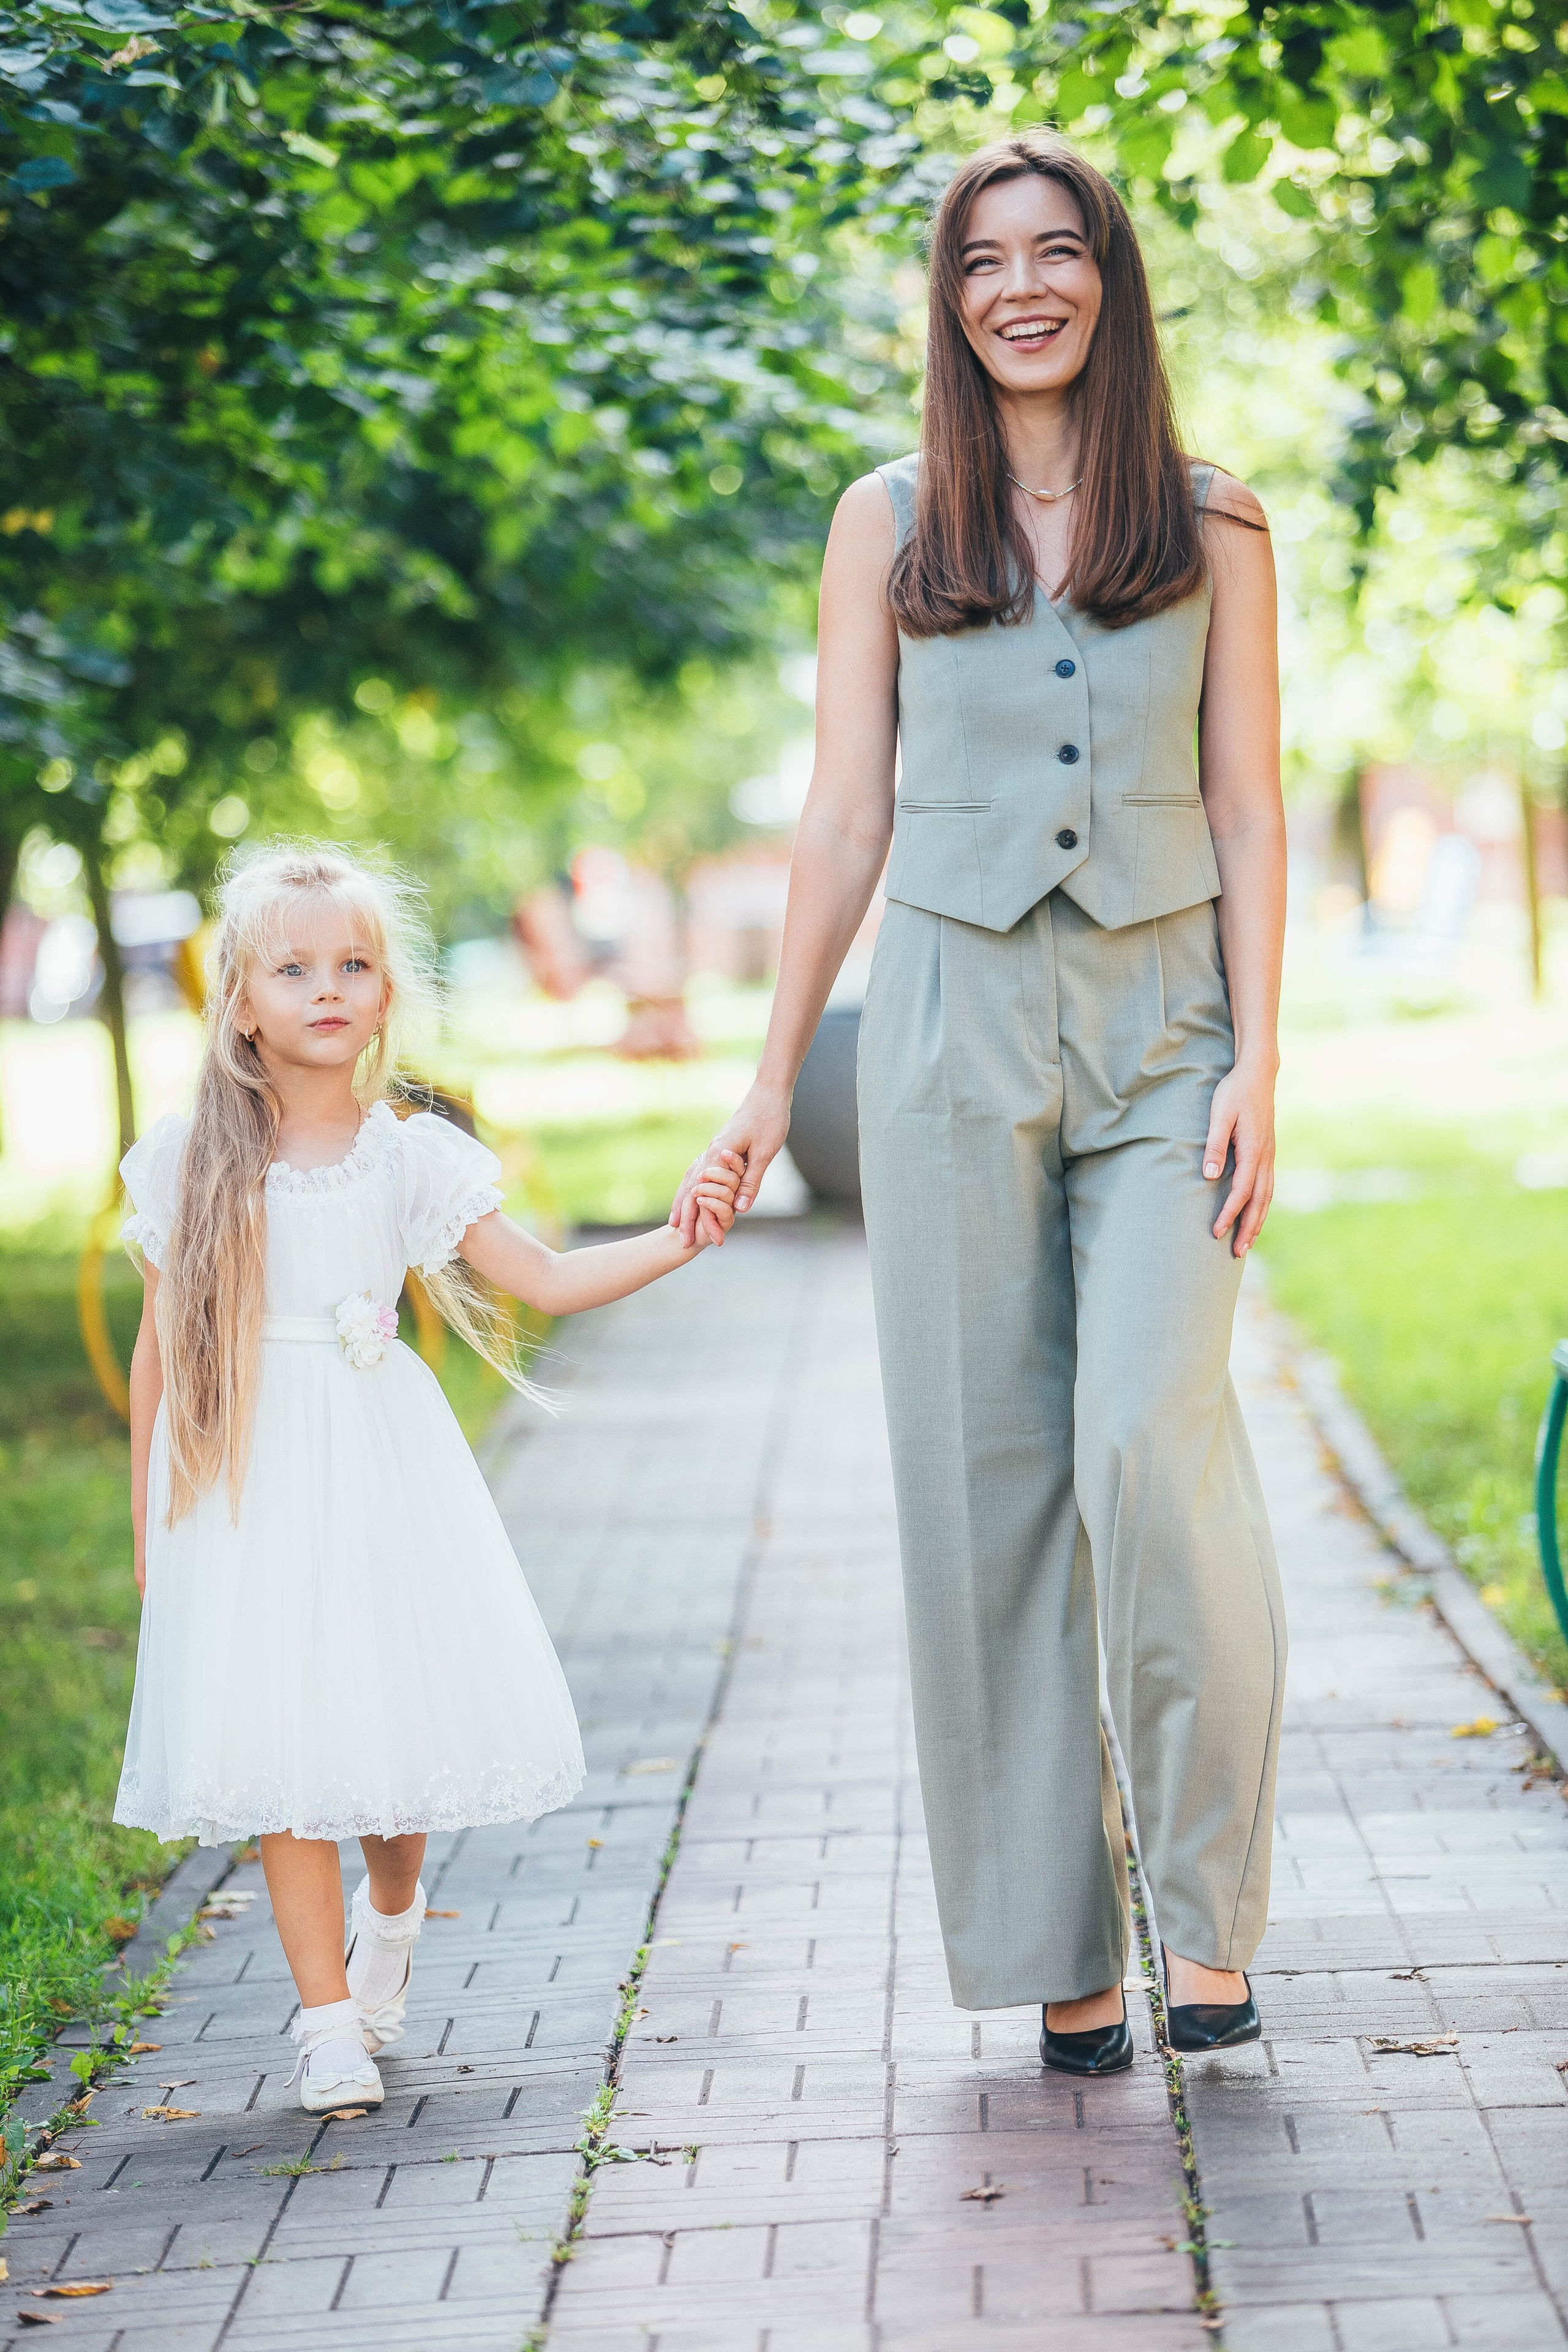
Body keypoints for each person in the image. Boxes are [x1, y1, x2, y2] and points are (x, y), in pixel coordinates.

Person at [672, 134, 1287, 2075]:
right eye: (983, 261)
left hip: (1168, 1028)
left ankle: (1210, 1920)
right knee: (983, 1484)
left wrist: (1266, 1058)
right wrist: (768, 1075)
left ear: (1111, 278)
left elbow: (1252, 805)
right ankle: (1059, 1952)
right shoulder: (884, 519)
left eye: (1057, 251)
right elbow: (843, 812)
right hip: (945, 1024)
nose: (1023, 287)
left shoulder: (1217, 517)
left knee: (1148, 1449)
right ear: (948, 302)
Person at [119, 842, 742, 2114]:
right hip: (246, 1484)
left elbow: (546, 1280)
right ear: (240, 1001)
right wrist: (150, 1520)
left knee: (385, 1753)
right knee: (287, 1747)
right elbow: (157, 1353)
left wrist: (678, 1239)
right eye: (293, 969)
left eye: (353, 965)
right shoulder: (190, 1158)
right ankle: (326, 2023)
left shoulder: (407, 1155)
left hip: (378, 1468)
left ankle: (390, 1915)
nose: (326, 988)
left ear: (386, 995)